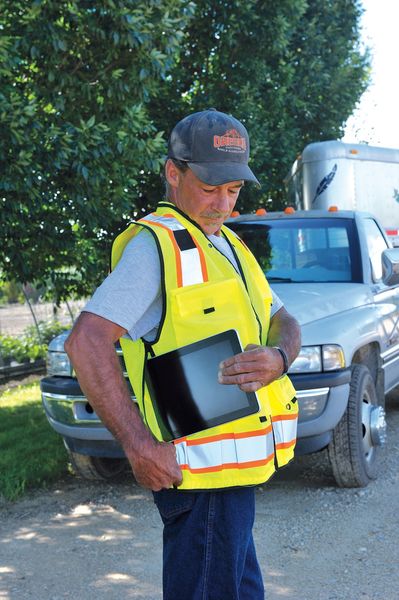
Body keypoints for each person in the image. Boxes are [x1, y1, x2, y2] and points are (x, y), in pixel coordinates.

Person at [65, 108, 301, 600]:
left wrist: (279, 356)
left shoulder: (229, 244)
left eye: (233, 190)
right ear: (174, 172)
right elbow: (85, 344)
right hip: (196, 480)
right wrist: (139, 447)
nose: (223, 203)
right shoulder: (156, 248)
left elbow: (285, 319)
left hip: (234, 476)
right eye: (210, 187)